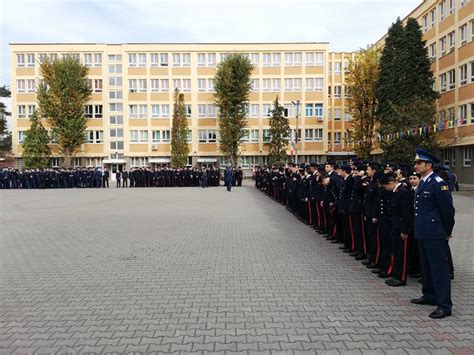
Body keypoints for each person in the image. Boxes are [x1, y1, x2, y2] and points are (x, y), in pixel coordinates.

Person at [411, 148, 455, 319]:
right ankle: (429, 295)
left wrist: (447, 231)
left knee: (439, 269)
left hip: (435, 232)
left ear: (428, 165)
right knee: (426, 267)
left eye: (419, 163)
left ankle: (444, 305)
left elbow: (447, 210)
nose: (416, 166)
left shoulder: (438, 183)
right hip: (423, 231)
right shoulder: (423, 181)